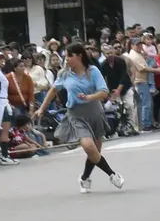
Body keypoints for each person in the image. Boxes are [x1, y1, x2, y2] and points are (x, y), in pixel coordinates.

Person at [36, 43, 124, 194]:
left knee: (94, 152)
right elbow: (53, 90)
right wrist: (42, 108)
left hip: (95, 112)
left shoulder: (93, 71)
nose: (66, 59)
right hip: (76, 114)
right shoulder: (64, 74)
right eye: (66, 56)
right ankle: (112, 174)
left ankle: (84, 178)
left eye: (69, 56)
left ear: (79, 56)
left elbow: (104, 92)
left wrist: (89, 96)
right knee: (88, 146)